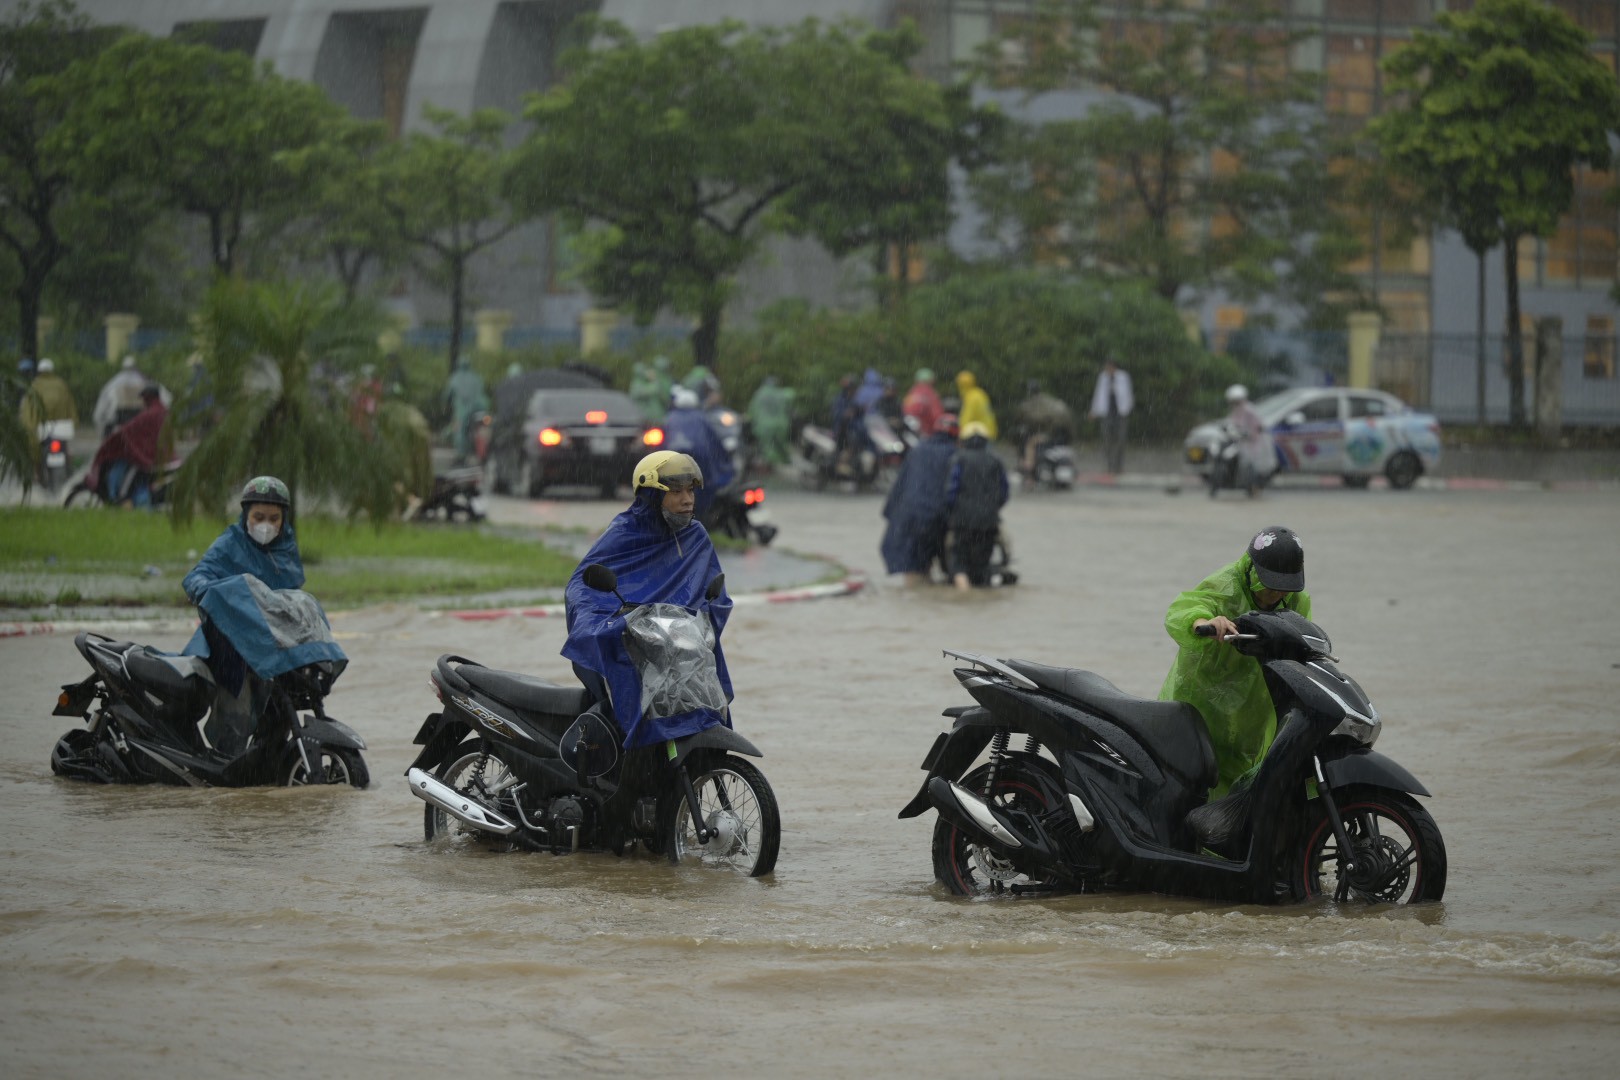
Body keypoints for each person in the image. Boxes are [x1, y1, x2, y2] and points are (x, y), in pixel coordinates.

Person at [561, 451, 733, 750]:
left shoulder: (696, 537)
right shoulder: (623, 535)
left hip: (681, 651)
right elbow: (582, 588)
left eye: (690, 490)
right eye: (676, 491)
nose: (687, 499)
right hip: (635, 648)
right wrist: (603, 624)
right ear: (653, 496)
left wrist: (705, 615)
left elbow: (714, 593)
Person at [1158, 526, 1311, 799]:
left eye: (1282, 587)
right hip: (1203, 700)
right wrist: (1206, 622)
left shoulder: (1296, 600)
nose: (1276, 594)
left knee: (1242, 780)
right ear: (1252, 568)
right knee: (1194, 777)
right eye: (1269, 584)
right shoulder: (1224, 585)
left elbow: (1303, 640)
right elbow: (1185, 609)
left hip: (1253, 706)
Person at [181, 477, 308, 755]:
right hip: (232, 649)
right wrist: (209, 589)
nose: (266, 525)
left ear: (283, 520)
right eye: (258, 516)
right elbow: (196, 576)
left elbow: (292, 596)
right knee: (236, 715)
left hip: (272, 650)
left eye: (274, 518)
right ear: (245, 515)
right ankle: (226, 772)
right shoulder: (229, 544)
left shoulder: (286, 550)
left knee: (278, 716)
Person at [880, 412, 959, 585]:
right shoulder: (955, 455)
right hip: (934, 519)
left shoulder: (917, 451)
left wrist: (890, 515)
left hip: (906, 518)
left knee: (914, 572)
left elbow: (899, 486)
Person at [945, 420, 1009, 590]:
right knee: (983, 563)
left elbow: (951, 492)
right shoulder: (996, 461)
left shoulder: (958, 459)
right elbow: (1004, 493)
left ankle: (964, 595)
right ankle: (982, 599)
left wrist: (954, 512)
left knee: (959, 561)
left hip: (963, 520)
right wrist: (991, 509)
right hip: (988, 521)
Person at [661, 385, 734, 517]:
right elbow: (716, 444)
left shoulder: (670, 418)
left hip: (673, 461)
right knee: (702, 489)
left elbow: (660, 445)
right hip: (699, 461)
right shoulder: (702, 418)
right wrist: (726, 464)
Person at [89, 383, 166, 507]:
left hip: (146, 458)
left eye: (144, 398)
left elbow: (128, 431)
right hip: (161, 455)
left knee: (125, 485)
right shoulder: (163, 411)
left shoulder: (149, 414)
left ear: (148, 398)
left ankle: (121, 500)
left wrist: (115, 438)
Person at [1014, 379, 1075, 480]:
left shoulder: (1030, 405)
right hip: (1062, 436)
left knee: (1030, 444)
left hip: (1052, 436)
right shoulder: (1053, 402)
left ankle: (1028, 471)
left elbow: (1022, 419)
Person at [1223, 384, 1274, 497]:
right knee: (1245, 464)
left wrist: (1252, 433)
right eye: (1233, 401)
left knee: (1258, 467)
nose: (1235, 403)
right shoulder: (1235, 411)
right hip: (1243, 442)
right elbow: (1230, 424)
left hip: (1256, 442)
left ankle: (1255, 487)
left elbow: (1259, 425)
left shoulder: (1250, 410)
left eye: (1237, 400)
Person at [1088, 358, 1133, 474]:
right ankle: (1110, 466)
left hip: (1121, 413)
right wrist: (1094, 410)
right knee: (1107, 440)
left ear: (1113, 367)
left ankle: (1119, 466)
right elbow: (1098, 394)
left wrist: (1127, 408)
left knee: (1120, 440)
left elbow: (1128, 394)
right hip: (1106, 413)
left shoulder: (1123, 377)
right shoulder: (1103, 378)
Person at [442, 355, 489, 465]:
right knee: (481, 429)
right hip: (479, 409)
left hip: (462, 411)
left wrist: (445, 406)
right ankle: (481, 452)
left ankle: (461, 454)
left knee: (459, 431)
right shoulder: (477, 377)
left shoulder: (455, 378)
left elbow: (447, 395)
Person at [94, 355, 153, 436]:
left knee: (109, 424)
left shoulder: (116, 381)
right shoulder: (141, 379)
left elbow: (106, 397)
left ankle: (107, 439)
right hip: (136, 412)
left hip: (121, 413)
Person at [746, 375, 795, 468]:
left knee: (767, 446)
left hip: (764, 425)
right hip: (781, 424)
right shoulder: (782, 393)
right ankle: (784, 461)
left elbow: (752, 410)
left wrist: (749, 417)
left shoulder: (760, 393)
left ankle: (767, 464)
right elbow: (791, 395)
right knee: (780, 445)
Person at [19, 357, 78, 435]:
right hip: (60, 427)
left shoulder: (34, 386)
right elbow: (70, 406)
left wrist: (27, 425)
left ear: (39, 371)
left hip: (39, 428)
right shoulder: (61, 385)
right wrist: (74, 422)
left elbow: (27, 411)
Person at [955, 370, 998, 441]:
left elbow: (967, 416)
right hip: (989, 430)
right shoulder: (980, 393)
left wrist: (961, 433)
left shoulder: (970, 397)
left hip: (980, 435)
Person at [902, 368, 944, 437]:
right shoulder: (930, 393)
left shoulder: (912, 391)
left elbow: (905, 408)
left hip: (908, 427)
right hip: (925, 430)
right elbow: (937, 413)